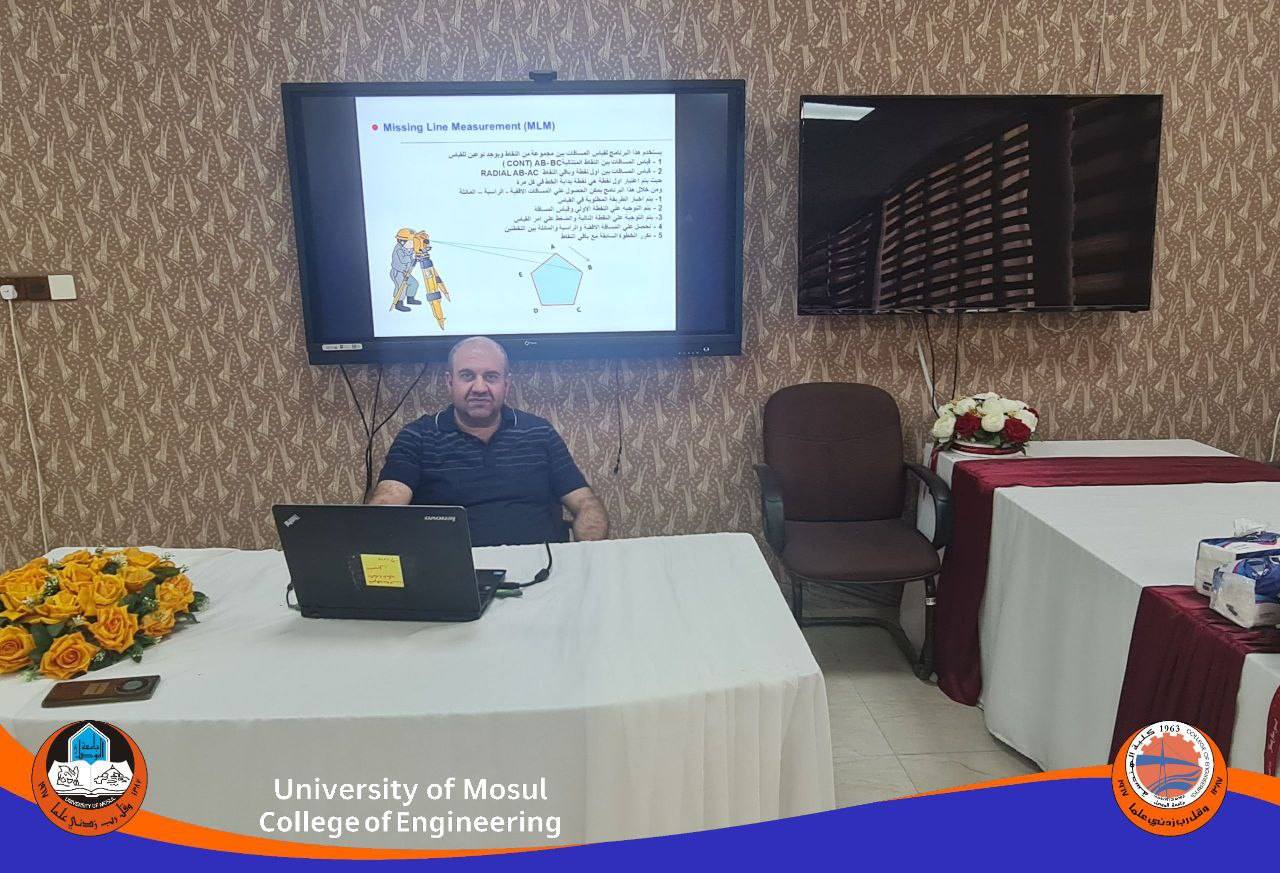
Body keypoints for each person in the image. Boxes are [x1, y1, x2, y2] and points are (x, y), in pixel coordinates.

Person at [367, 336, 610, 546]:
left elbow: (586, 504)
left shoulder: (539, 432)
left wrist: (587, 554)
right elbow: (386, 504)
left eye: (491, 377)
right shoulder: (417, 437)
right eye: (467, 376)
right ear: (450, 382)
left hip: (540, 570)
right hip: (452, 570)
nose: (480, 388)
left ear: (506, 384)